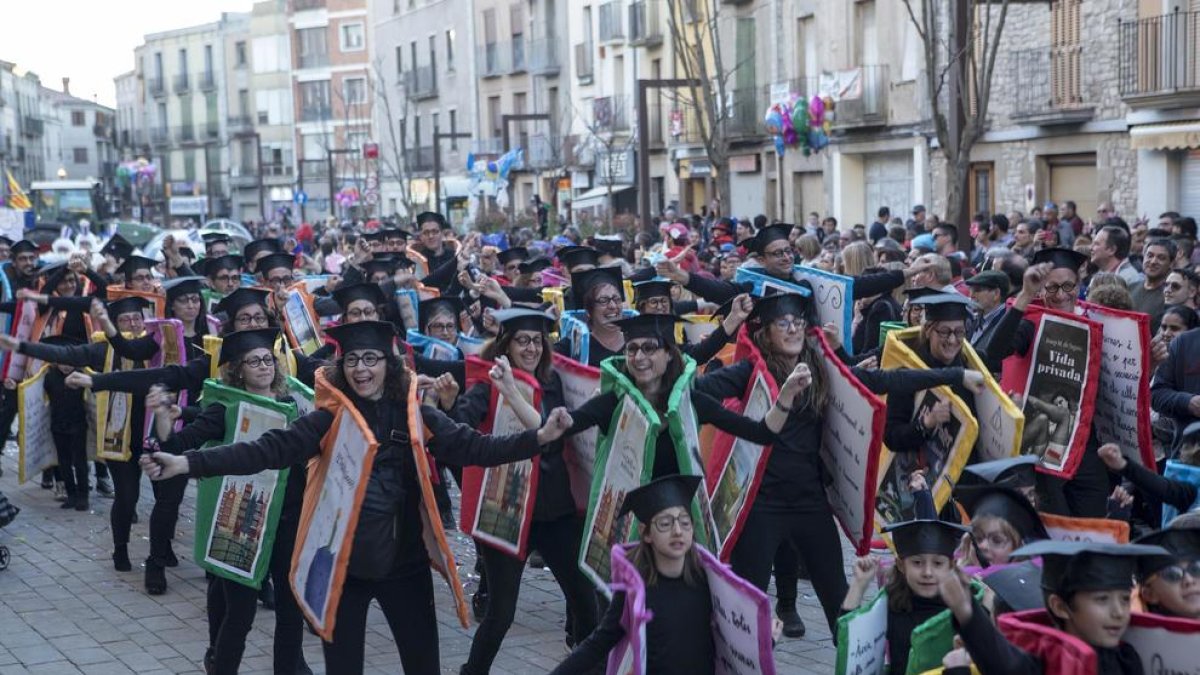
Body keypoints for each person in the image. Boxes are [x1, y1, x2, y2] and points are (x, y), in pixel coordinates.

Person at [139, 320, 577, 675]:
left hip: (405, 569)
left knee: (423, 666)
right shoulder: (329, 419)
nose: (361, 368)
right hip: (342, 571)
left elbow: (476, 449)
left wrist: (537, 437)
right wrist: (187, 463)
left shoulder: (416, 415)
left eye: (370, 358)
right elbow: (267, 450)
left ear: (389, 364)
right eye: (352, 360)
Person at [693, 292, 986, 633]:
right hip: (762, 507)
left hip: (810, 503)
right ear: (766, 332)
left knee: (839, 606)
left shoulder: (823, 367)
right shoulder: (749, 372)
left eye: (798, 323)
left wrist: (955, 377)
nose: (792, 330)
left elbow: (886, 380)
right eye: (783, 324)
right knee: (748, 612)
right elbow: (697, 392)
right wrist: (747, 428)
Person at [146, 328, 311, 674]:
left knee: (291, 608)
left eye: (268, 359)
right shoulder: (223, 409)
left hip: (289, 520)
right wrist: (163, 418)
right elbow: (179, 445)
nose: (264, 367)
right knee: (240, 613)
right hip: (242, 522)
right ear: (238, 370)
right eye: (254, 362)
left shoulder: (294, 403)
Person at [455, 309, 599, 674]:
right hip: (508, 512)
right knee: (500, 614)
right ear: (505, 345)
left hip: (555, 511)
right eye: (523, 340)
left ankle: (584, 665)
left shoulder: (554, 382)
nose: (531, 348)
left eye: (537, 341)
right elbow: (462, 420)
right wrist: (446, 404)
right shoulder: (488, 384)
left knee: (585, 601)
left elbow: (555, 438)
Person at [551, 475, 770, 675]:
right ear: (646, 533)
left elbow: (733, 643)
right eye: (665, 523)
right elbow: (600, 642)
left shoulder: (708, 581)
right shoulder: (635, 591)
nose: (677, 531)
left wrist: (765, 638)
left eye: (685, 523)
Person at [943, 540, 1169, 674]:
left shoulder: (1128, 657)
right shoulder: (1046, 661)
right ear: (1060, 606)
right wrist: (966, 611)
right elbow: (1007, 665)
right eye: (1102, 599)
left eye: (1123, 599)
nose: (1118, 612)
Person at [839, 520, 972, 675]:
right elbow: (846, 643)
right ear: (901, 565)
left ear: (951, 565)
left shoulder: (963, 608)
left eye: (937, 563)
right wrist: (859, 585)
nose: (927, 572)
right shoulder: (892, 603)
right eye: (917, 563)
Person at [553, 267, 627, 366]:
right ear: (588, 310)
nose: (613, 306)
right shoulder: (573, 347)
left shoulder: (636, 341)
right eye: (603, 300)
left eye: (616, 299)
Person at [1130, 238, 1173, 334]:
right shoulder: (1130, 287)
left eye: (1161, 258)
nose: (1153, 261)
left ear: (1171, 264)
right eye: (1149, 256)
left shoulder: (1170, 297)